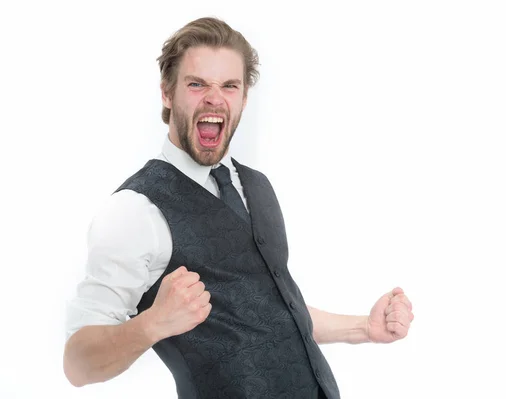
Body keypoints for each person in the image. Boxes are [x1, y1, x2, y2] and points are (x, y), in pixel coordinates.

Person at [63, 16, 414, 399]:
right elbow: (78, 366)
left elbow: (276, 315)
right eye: (197, 84)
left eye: (229, 86)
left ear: (243, 98)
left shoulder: (257, 186)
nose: (214, 98)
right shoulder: (133, 211)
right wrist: (152, 324)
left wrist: (365, 328)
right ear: (167, 93)